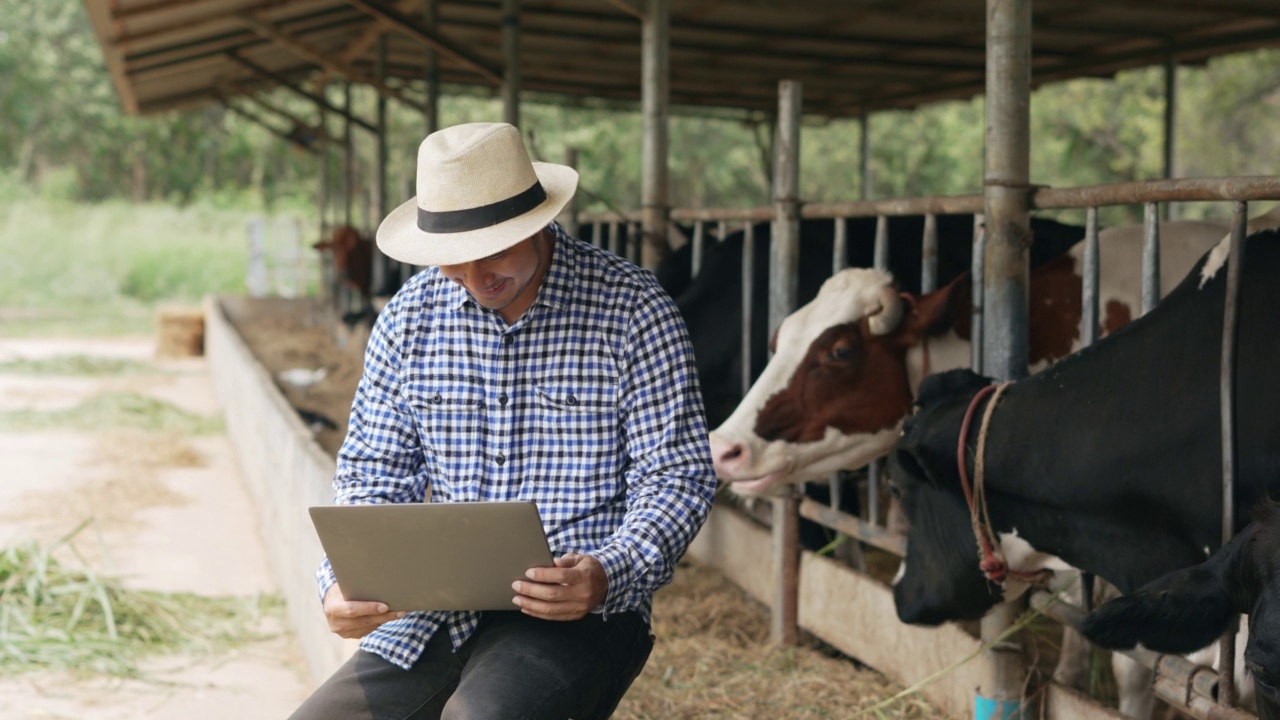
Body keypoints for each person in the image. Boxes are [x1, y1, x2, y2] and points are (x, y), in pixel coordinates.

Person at [289, 122, 717, 720]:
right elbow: (371, 472)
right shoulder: (409, 320)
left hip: (580, 609)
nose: (474, 277)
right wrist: (342, 582)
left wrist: (607, 571)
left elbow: (677, 476)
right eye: (452, 262)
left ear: (538, 222)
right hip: (437, 604)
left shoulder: (633, 310)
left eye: (494, 250)